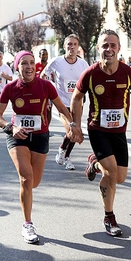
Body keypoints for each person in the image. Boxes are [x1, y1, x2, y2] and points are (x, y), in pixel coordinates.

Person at [69, 29, 131, 237]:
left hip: (119, 132)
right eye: (105, 45)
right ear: (98, 48)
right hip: (97, 130)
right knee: (111, 172)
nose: (109, 49)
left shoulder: (128, 73)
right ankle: (109, 217)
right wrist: (75, 124)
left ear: (119, 48)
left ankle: (94, 162)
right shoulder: (91, 73)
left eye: (113, 45)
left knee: (120, 177)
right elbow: (77, 98)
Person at [0, 51, 76, 244]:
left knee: (34, 182)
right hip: (17, 137)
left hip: (40, 136)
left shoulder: (46, 86)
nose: (29, 67)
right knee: (25, 179)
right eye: (24, 63)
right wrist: (10, 127)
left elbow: (63, 109)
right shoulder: (11, 88)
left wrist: (72, 125)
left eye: (31, 63)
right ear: (17, 67)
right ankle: (27, 224)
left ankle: (26, 198)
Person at [41, 34, 89, 170]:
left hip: (78, 102)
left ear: (78, 47)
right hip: (61, 102)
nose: (72, 47)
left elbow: (88, 81)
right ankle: (65, 155)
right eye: (69, 44)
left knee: (77, 130)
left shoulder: (83, 64)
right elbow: (42, 76)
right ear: (64, 46)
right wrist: (48, 94)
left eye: (74, 44)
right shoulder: (56, 61)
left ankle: (64, 154)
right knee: (71, 129)